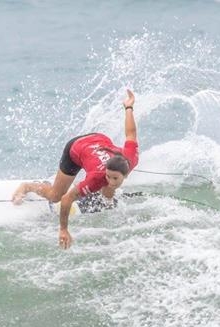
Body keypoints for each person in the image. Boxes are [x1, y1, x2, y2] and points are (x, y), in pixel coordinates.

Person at [12, 89, 139, 249]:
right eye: (108, 176)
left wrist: (128, 107)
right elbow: (67, 200)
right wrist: (64, 229)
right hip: (76, 148)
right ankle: (28, 186)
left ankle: (101, 197)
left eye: (115, 178)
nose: (110, 180)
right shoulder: (96, 178)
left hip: (97, 140)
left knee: (107, 191)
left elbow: (130, 134)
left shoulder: (131, 157)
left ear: (126, 174)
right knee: (56, 196)